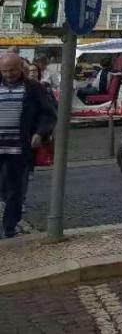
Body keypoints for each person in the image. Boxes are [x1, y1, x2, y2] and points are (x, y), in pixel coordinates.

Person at [0, 53, 57, 237]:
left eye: (13, 70)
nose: (9, 74)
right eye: (5, 71)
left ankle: (10, 227)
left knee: (15, 191)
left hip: (20, 148)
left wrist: (40, 133)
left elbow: (48, 113)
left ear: (21, 68)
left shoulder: (33, 88)